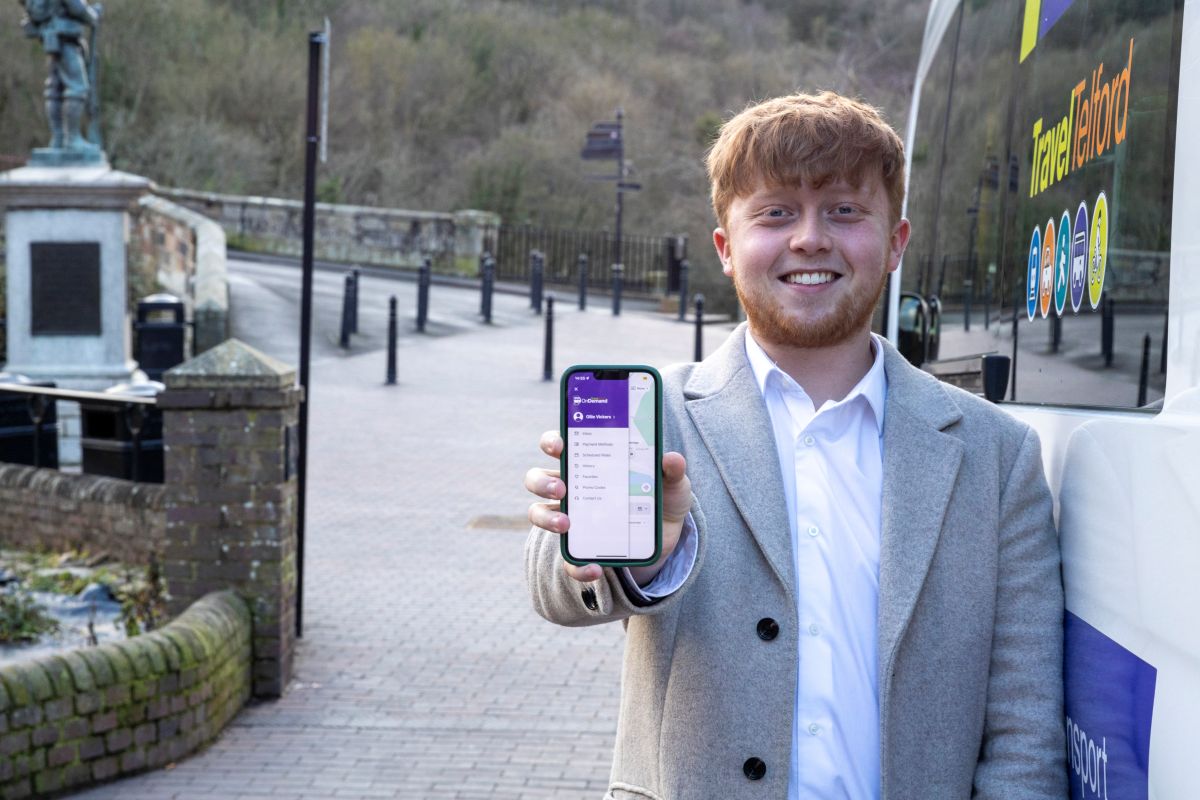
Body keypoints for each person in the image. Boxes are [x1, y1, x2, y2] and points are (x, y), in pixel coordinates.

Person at [524, 91, 1065, 799]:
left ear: (896, 241)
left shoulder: (998, 457)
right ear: (725, 247)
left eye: (844, 209)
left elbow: (1025, 728)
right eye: (776, 212)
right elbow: (551, 586)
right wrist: (638, 557)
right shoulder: (651, 415)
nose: (810, 238)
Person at [19, 0, 102, 154]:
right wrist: (93, 15)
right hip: (65, 39)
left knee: (54, 89)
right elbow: (77, 8)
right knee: (77, 87)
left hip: (51, 38)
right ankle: (72, 139)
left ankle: (58, 138)